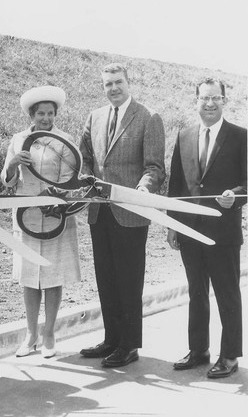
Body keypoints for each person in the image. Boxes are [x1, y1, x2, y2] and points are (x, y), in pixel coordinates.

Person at [79, 63, 165, 367]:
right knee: (106, 278)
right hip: (99, 212)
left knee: (129, 280)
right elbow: (84, 159)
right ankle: (111, 339)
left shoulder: (148, 117)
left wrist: (143, 187)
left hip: (130, 212)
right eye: (107, 84)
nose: (113, 88)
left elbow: (154, 167)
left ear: (129, 83)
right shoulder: (95, 116)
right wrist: (87, 178)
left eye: (118, 82)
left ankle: (129, 345)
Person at [167, 77, 247, 378]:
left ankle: (229, 356)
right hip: (189, 230)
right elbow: (175, 184)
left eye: (216, 98)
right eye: (204, 98)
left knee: (227, 294)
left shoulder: (240, 136)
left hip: (223, 232)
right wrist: (173, 224)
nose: (210, 103)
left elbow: (247, 183)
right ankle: (199, 350)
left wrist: (235, 197)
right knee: (196, 292)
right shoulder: (184, 135)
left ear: (224, 101)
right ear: (196, 100)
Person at [1, 86, 81, 358]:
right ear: (32, 114)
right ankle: (31, 334)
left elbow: (73, 179)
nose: (45, 118)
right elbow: (8, 180)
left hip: (55, 213)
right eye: (40, 113)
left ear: (55, 114)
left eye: (50, 113)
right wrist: (13, 163)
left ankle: (49, 334)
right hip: (26, 213)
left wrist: (58, 198)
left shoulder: (65, 140)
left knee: (52, 275)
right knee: (29, 276)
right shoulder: (19, 138)